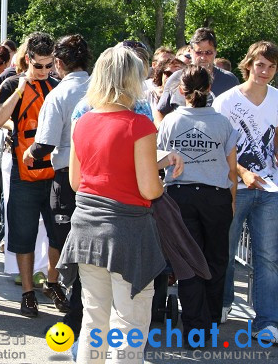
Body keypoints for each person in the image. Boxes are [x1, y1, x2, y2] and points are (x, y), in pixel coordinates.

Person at [60, 45, 168, 363]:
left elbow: (76, 183)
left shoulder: (83, 123)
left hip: (86, 232)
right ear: (131, 80)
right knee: (129, 324)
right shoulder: (139, 126)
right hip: (129, 234)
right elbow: (150, 190)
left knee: (94, 321)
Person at [157, 64, 238, 341]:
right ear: (209, 89)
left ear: (181, 90)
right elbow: (231, 170)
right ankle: (211, 322)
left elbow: (159, 159)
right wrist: (232, 202)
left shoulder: (170, 121)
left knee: (188, 261)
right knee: (216, 260)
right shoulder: (223, 123)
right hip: (215, 197)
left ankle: (194, 327)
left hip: (181, 196)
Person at [0, 32, 61, 317]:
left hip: (56, 172)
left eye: (49, 65)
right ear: (28, 59)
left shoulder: (57, 86)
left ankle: (53, 283)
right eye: (39, 65)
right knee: (23, 234)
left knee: (58, 234)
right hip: (24, 172)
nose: (44, 71)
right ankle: (28, 292)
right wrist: (20, 88)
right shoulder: (10, 83)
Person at [23, 34, 90, 331]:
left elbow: (45, 144)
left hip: (67, 177)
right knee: (91, 246)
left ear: (59, 63)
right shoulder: (102, 89)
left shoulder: (59, 94)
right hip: (99, 177)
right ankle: (86, 307)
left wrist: (28, 153)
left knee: (67, 243)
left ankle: (75, 311)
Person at [214, 41, 278, 344]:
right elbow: (220, 147)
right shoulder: (226, 101)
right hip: (232, 187)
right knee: (224, 250)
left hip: (270, 190)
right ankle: (223, 303)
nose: (265, 71)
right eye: (260, 64)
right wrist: (242, 172)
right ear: (249, 64)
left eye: (271, 66)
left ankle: (267, 321)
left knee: (267, 256)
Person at [155, 28, 239, 124]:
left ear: (215, 52)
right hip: (182, 136)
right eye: (198, 52)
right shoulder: (176, 78)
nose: (203, 58)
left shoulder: (229, 81)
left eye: (208, 52)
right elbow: (160, 112)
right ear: (190, 51)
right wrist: (162, 130)